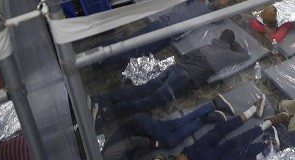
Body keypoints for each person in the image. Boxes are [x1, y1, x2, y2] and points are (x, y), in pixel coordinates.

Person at [92, 29, 250, 122]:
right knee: (150, 101)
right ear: (229, 43)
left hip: (175, 68)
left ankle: (100, 100)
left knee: (142, 89)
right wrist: (235, 45)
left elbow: (187, 55)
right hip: (184, 77)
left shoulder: (207, 45)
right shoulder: (227, 54)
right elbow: (245, 56)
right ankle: (107, 112)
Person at [101, 94, 237, 158]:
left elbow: (131, 142)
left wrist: (154, 144)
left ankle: (205, 119)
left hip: (141, 127)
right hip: (142, 125)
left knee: (171, 140)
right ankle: (213, 105)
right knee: (177, 124)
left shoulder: (106, 157)